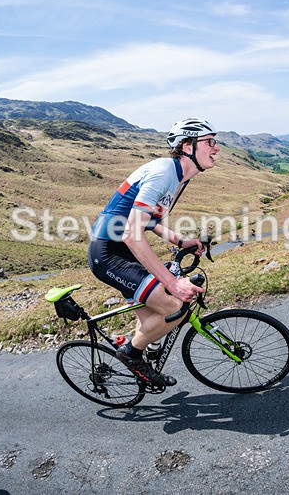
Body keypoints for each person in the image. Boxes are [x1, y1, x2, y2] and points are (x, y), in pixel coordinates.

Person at [88, 118, 220, 387]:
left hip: (124, 252)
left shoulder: (178, 177)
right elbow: (132, 233)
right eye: (209, 142)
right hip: (109, 254)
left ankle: (136, 361)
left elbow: (150, 220)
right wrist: (173, 283)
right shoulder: (163, 173)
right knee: (175, 308)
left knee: (153, 320)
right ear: (187, 145)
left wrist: (181, 241)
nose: (216, 149)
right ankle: (131, 355)